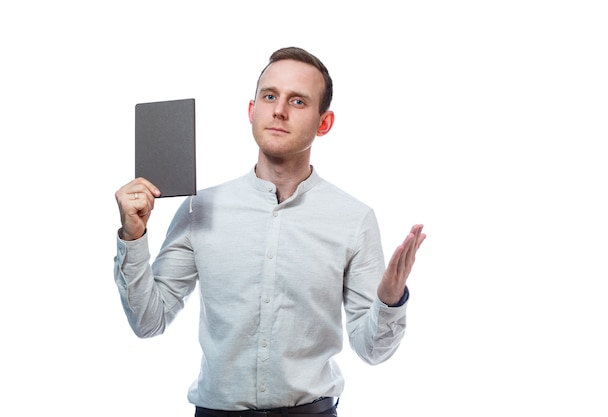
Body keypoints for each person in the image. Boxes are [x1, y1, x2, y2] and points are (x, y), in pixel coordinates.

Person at [114, 46, 426, 417]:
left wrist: (390, 300)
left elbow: (372, 349)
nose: (279, 110)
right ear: (252, 111)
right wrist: (133, 239)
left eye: (297, 101)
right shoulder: (200, 208)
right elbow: (149, 321)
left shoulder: (352, 219)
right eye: (270, 96)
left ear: (323, 123)